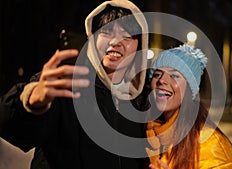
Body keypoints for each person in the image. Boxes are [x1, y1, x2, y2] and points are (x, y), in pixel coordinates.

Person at [0, 0, 149, 169]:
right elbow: (14, 129)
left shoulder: (141, 101)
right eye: (107, 32)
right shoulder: (64, 84)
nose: (116, 41)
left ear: (139, 46)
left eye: (127, 35)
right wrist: (32, 102)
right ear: (92, 39)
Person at [145, 44, 232, 169]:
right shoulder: (148, 135)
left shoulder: (210, 142)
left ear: (190, 89)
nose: (162, 80)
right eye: (157, 74)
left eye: (174, 75)